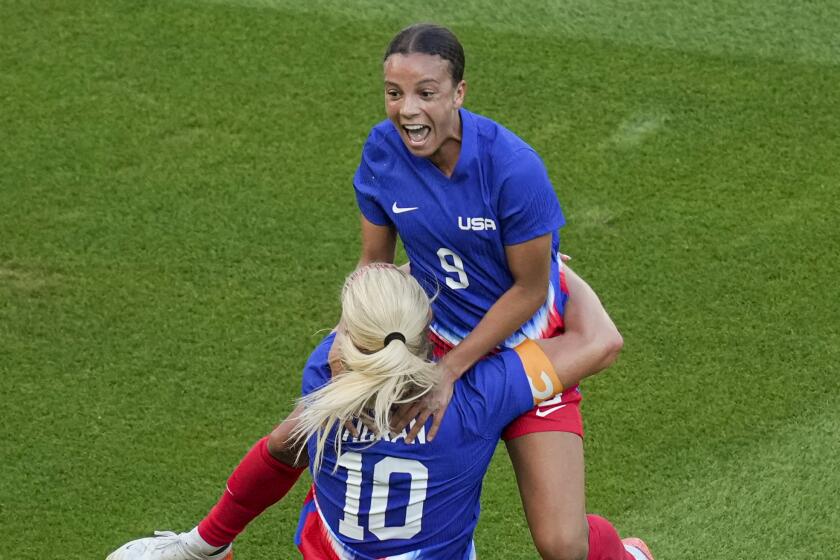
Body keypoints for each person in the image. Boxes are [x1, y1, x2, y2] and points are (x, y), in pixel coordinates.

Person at [107, 23, 654, 560]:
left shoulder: (512, 170)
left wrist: (451, 371)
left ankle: (626, 555)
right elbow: (375, 264)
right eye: (394, 93)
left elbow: (533, 289)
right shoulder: (382, 153)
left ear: (459, 93)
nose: (407, 110)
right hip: (424, 339)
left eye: (426, 93)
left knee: (562, 546)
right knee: (296, 435)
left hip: (518, 344)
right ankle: (199, 545)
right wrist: (350, 349)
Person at [108, 265, 652, 560]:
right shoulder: (480, 394)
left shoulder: (323, 373)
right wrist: (549, 271)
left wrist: (204, 540)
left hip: (327, 549)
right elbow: (601, 340)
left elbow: (280, 450)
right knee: (566, 544)